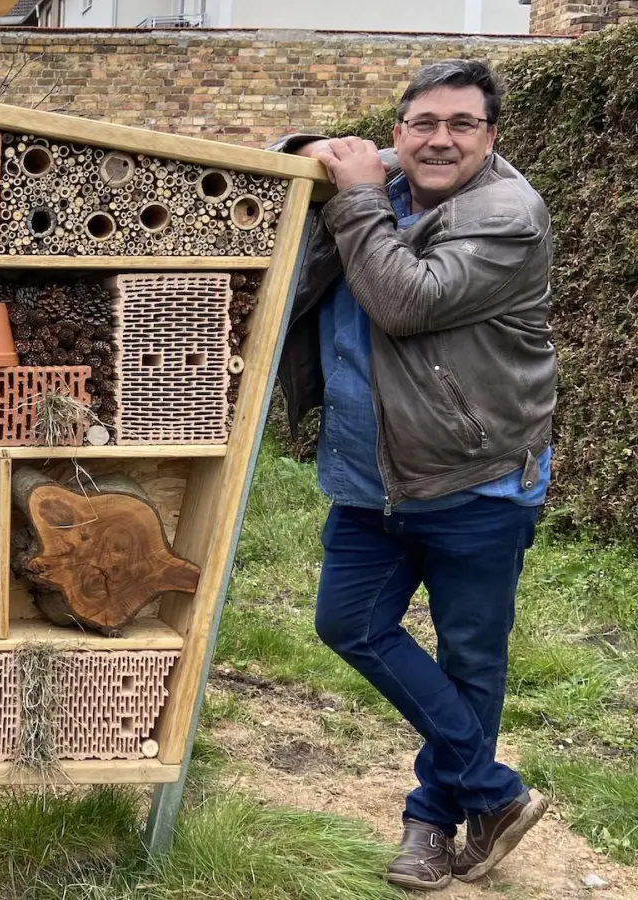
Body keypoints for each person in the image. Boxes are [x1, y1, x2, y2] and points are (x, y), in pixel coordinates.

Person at [273, 59, 555, 891]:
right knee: (349, 624)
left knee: (470, 663)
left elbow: (403, 298)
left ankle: (431, 825)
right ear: (397, 133)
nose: (441, 139)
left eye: (462, 125)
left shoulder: (510, 215)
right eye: (422, 123)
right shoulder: (387, 182)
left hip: (477, 482)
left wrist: (358, 193)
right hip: (367, 481)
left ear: (491, 138)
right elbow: (256, 162)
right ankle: (494, 795)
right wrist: (305, 146)